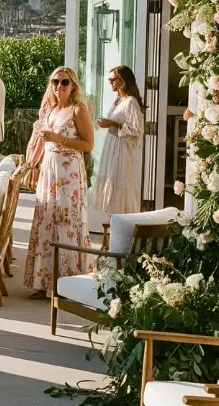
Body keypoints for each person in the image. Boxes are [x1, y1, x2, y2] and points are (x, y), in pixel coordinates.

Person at [23, 66, 94, 300]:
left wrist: (58, 138)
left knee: (66, 221)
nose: (59, 87)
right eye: (55, 82)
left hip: (69, 173)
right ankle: (43, 281)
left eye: (64, 82)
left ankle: (67, 282)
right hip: (49, 171)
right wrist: (32, 166)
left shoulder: (78, 110)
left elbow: (88, 145)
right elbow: (43, 143)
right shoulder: (51, 110)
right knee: (47, 220)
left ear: (73, 85)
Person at [92, 66, 146, 215]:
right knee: (110, 183)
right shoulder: (118, 100)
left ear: (124, 80)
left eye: (113, 79)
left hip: (120, 149)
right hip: (111, 146)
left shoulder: (131, 102)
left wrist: (113, 124)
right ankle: (113, 225)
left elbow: (137, 130)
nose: (110, 82)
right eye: (109, 79)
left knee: (119, 183)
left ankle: (122, 224)